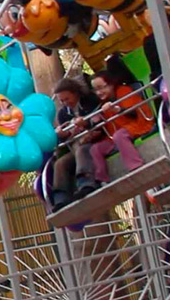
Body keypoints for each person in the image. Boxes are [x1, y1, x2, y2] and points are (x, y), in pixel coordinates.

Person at [89, 70, 154, 183]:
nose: (99, 92)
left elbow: (133, 113)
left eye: (101, 87)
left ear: (111, 85)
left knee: (120, 135)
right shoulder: (102, 104)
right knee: (95, 149)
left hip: (138, 123)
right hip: (115, 134)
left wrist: (116, 109)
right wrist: (96, 121)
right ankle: (102, 180)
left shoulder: (124, 91)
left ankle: (136, 167)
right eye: (96, 90)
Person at [50, 78, 100, 212]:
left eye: (67, 99)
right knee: (60, 163)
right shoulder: (63, 113)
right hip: (76, 145)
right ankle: (61, 197)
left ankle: (86, 183)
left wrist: (86, 124)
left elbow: (100, 119)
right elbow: (66, 140)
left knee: (81, 151)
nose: (66, 103)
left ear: (76, 93)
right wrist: (63, 135)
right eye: (62, 101)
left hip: (95, 141)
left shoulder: (91, 101)